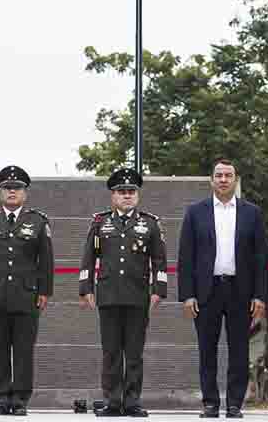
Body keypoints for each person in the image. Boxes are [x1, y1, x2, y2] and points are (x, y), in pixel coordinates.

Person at [177, 159, 268, 418]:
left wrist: (260, 295)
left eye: (228, 175)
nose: (223, 180)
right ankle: (210, 404)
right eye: (219, 175)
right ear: (211, 180)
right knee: (207, 350)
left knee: (239, 350)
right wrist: (187, 295)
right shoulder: (196, 212)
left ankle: (234, 405)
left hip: (241, 292)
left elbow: (261, 258)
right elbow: (186, 257)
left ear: (235, 179)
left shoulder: (252, 213)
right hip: (207, 292)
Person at [79, 168, 168, 417]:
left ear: (137, 195)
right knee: (111, 352)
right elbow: (88, 258)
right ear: (113, 195)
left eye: (131, 192)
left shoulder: (150, 223)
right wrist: (85, 288)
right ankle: (113, 401)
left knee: (134, 353)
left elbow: (159, 261)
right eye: (121, 192)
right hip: (108, 296)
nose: (126, 196)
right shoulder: (100, 222)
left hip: (138, 296)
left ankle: (132, 402)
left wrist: (158, 290)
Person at [0, 165, 54, 416]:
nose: (12, 192)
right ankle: (1, 398)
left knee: (23, 351)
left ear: (25, 193)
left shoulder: (37, 221)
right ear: (0, 192)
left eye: (17, 188)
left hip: (26, 296)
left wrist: (44, 292)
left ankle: (20, 400)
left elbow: (46, 261)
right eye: (7, 188)